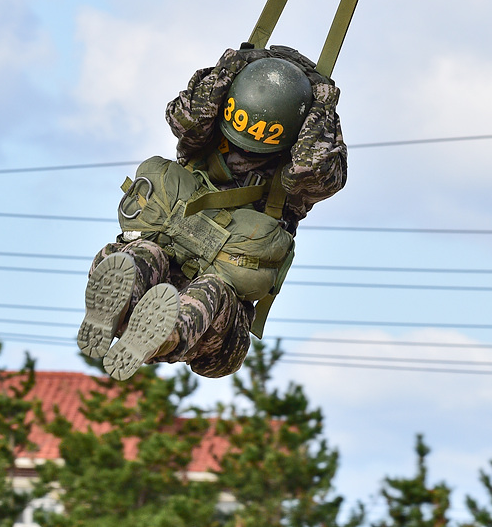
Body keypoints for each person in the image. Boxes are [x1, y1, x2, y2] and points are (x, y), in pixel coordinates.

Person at [77, 44, 347, 380]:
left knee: (178, 272)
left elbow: (311, 167)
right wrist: (319, 103)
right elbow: (185, 114)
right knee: (175, 272)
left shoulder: (220, 146)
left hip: (194, 292)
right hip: (189, 282)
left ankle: (141, 317)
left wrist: (231, 69)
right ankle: (140, 322)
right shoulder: (217, 142)